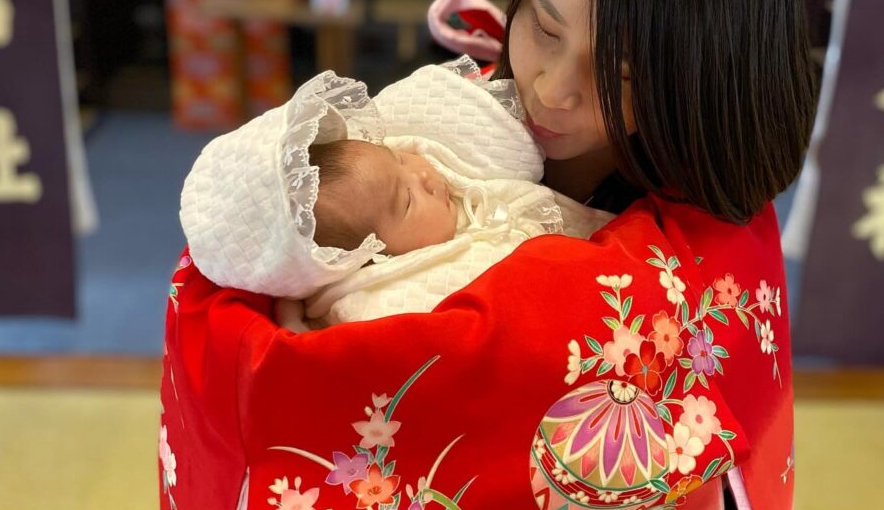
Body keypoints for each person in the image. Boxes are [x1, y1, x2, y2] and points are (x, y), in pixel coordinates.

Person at [159, 0, 816, 510]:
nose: (551, 89)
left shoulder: (713, 242)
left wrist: (324, 366)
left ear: (707, 75)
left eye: (619, 73)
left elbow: (533, 354)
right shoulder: (450, 116)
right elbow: (240, 261)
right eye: (543, 26)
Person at [178, 61, 610, 326]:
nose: (424, 175)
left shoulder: (426, 169)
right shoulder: (388, 298)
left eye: (399, 159)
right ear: (371, 257)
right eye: (406, 201)